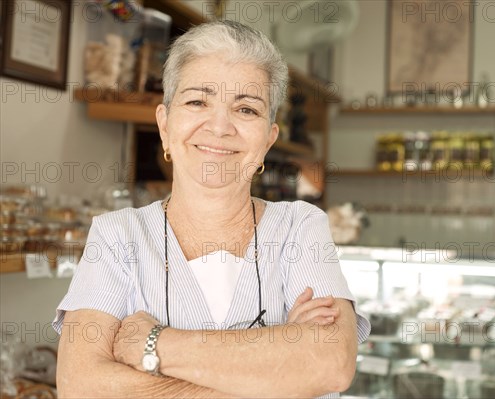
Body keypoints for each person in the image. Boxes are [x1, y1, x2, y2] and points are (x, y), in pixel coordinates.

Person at [53, 20, 370, 398]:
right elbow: (81, 386)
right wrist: (278, 367)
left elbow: (330, 365)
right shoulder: (117, 235)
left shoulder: (299, 227)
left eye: (247, 109)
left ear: (269, 139)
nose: (219, 127)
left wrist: (155, 343)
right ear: (165, 124)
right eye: (197, 101)